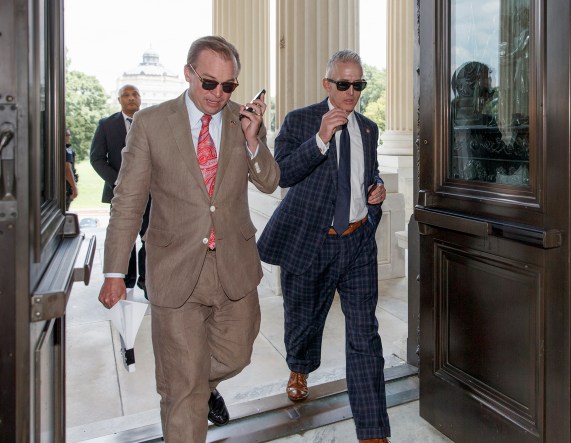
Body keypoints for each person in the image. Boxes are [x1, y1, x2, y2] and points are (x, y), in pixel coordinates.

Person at [97, 36, 279, 443]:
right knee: (182, 391)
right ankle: (185, 388)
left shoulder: (242, 119)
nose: (218, 95)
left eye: (228, 86)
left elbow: (269, 181)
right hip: (175, 268)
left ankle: (198, 382)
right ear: (188, 73)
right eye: (209, 83)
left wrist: (253, 141)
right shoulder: (150, 123)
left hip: (233, 266)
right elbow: (128, 201)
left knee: (237, 353)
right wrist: (113, 271)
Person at [257, 49, 390, 443]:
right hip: (310, 241)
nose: (352, 93)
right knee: (303, 317)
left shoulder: (368, 128)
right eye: (344, 84)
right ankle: (299, 366)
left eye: (359, 85)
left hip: (357, 241)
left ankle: (372, 430)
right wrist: (320, 138)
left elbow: (367, 173)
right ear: (327, 84)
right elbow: (284, 175)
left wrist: (375, 190)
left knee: (364, 333)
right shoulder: (299, 121)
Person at [90, 84, 152, 297]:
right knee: (124, 236)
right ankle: (126, 282)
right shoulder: (107, 125)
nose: (131, 98)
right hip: (120, 194)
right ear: (119, 101)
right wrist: (121, 182)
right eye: (126, 95)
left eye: (135, 93)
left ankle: (147, 281)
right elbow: (97, 159)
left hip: (151, 194)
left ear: (140, 98)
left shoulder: (151, 122)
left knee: (149, 238)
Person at [64, 128, 78, 210]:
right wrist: (74, 188)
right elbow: (67, 170)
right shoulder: (66, 150)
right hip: (65, 189)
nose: (69, 137)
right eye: (67, 135)